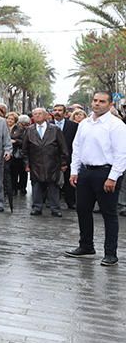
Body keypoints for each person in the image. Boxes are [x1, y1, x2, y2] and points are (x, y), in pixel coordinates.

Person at [65, 91, 126, 266]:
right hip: (85, 172)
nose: (97, 104)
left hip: (106, 173)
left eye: (102, 101)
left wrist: (113, 177)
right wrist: (74, 172)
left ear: (110, 105)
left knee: (109, 214)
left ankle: (110, 253)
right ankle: (86, 246)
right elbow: (77, 148)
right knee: (82, 210)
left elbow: (122, 153)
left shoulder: (116, 125)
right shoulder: (84, 123)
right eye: (95, 100)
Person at [24, 107, 68, 217]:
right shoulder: (29, 130)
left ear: (46, 115)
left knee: (53, 186)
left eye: (40, 113)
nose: (37, 116)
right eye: (35, 114)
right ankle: (37, 207)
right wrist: (26, 164)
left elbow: (63, 148)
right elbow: (25, 149)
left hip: (53, 163)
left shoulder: (55, 129)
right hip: (36, 163)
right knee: (36, 186)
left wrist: (63, 163)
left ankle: (55, 208)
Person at [51, 103, 78, 209]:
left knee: (68, 181)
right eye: (55, 110)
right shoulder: (48, 125)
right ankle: (52, 202)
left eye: (60, 110)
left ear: (65, 113)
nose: (57, 112)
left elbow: (76, 143)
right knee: (52, 182)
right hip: (51, 159)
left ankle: (70, 202)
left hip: (68, 158)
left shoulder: (73, 126)